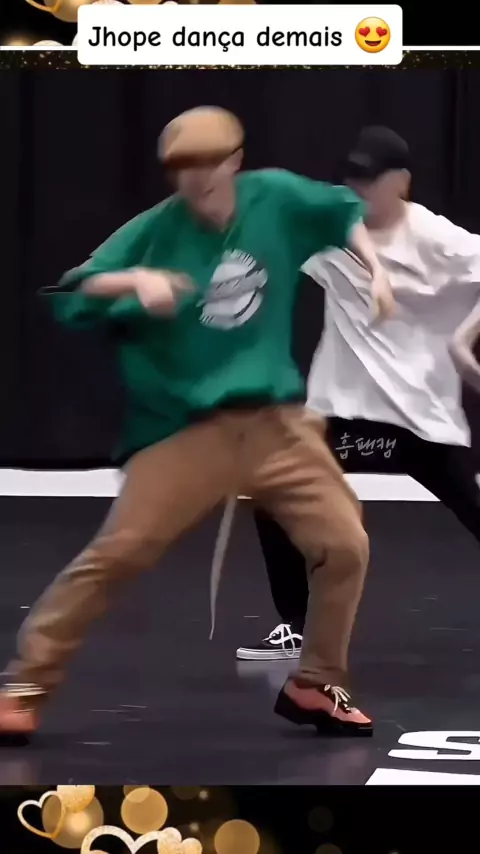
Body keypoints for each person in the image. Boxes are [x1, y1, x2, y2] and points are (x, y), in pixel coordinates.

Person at [0, 107, 395, 742]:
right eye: (183, 168)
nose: (197, 178)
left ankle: (316, 683)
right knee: (119, 553)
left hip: (276, 425)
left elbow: (341, 211)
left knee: (345, 544)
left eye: (209, 164)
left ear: (235, 160)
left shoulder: (275, 196)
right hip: (188, 429)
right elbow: (75, 289)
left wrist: (374, 269)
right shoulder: (155, 230)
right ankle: (25, 685)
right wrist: (134, 279)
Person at [237, 125, 480, 663]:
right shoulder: (330, 228)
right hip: (345, 414)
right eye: (353, 178)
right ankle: (296, 626)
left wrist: (463, 343)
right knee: (271, 488)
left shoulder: (434, 237)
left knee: (472, 502)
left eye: (372, 179)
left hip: (418, 418)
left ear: (402, 182)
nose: (359, 189)